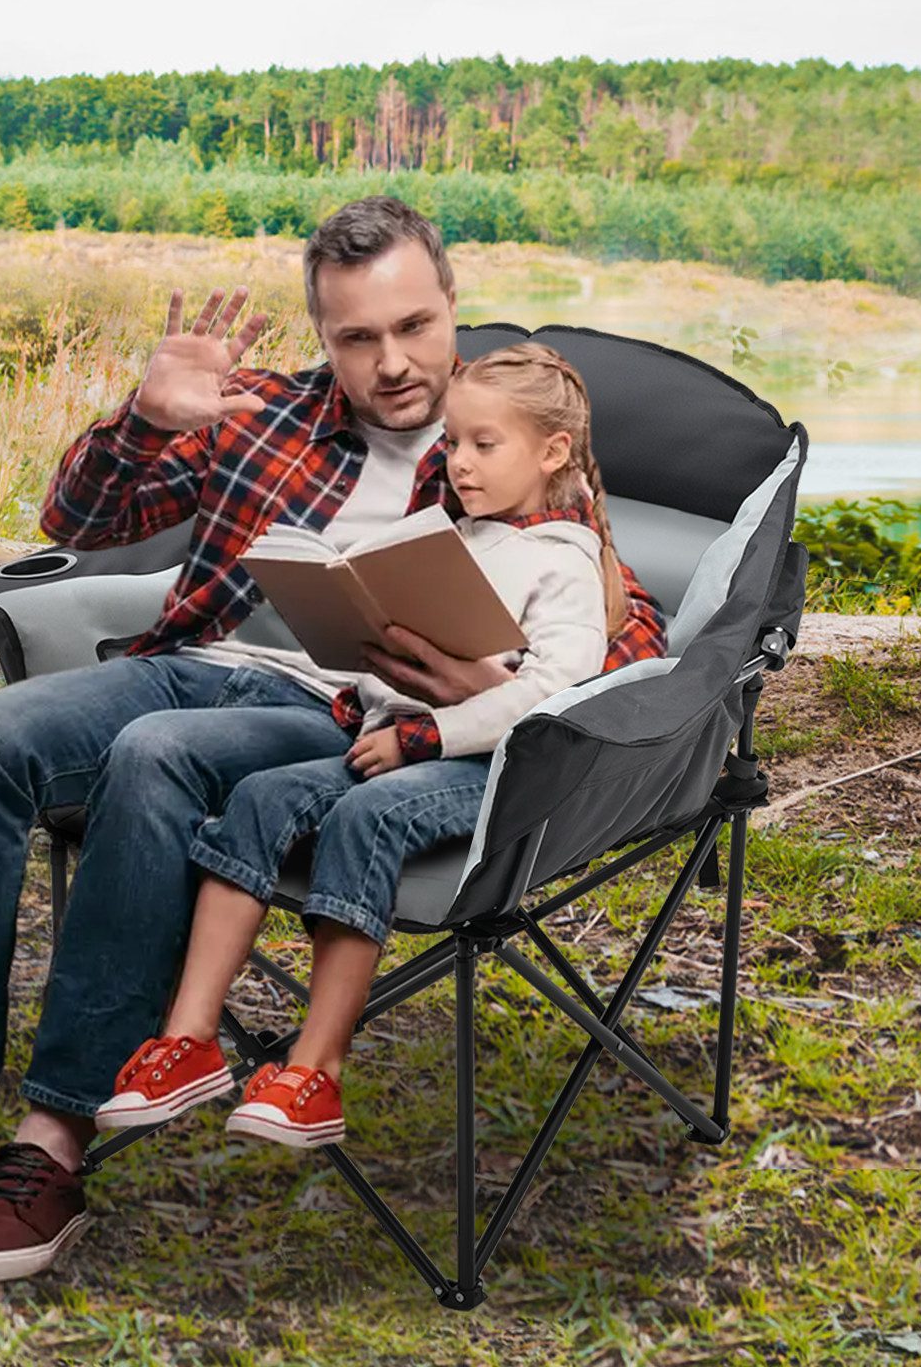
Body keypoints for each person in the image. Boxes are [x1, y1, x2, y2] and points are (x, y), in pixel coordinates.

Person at [0, 197, 668, 1284]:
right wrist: (146, 421)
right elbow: (78, 520)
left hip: (332, 716)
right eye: (356, 338)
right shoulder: (261, 414)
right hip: (192, 661)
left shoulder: (502, 438)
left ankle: (52, 1141)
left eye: (414, 327)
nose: (392, 362)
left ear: (451, 307)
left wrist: (477, 690)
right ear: (323, 336)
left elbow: (622, 632)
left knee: (157, 756)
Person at [94, 343, 627, 1146]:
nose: (461, 464)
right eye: (452, 443)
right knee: (259, 797)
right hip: (397, 736)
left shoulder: (564, 564)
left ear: (552, 452)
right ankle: (190, 1039)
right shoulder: (455, 538)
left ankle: (317, 1071)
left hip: (493, 770)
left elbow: (555, 694)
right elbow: (418, 660)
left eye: (486, 445)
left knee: (367, 817)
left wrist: (428, 734)